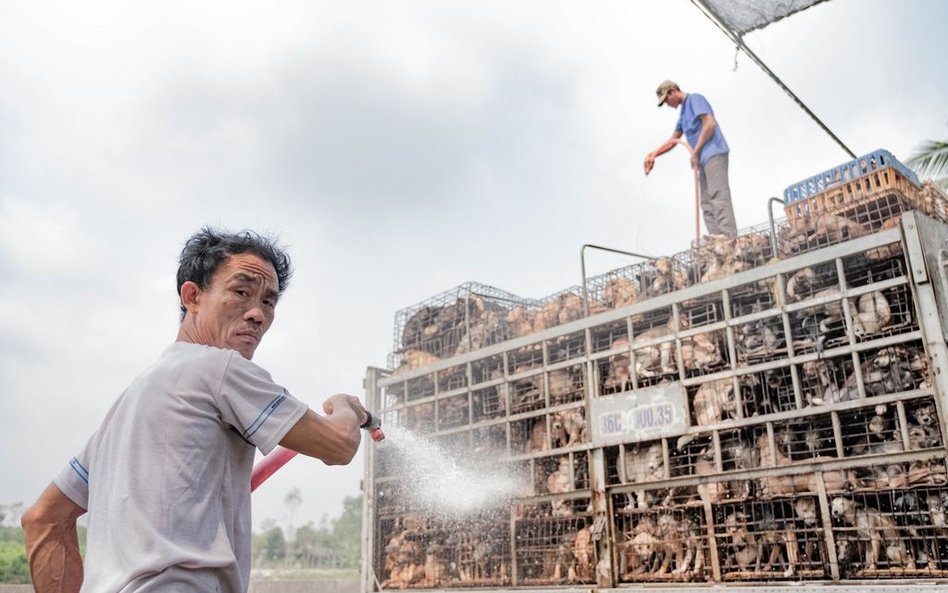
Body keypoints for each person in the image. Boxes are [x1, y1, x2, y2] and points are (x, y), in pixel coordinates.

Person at [21, 227, 368, 593]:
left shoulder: (121, 414)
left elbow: (43, 520)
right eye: (240, 292)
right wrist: (346, 407)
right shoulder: (218, 368)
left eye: (269, 301)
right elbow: (339, 445)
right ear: (192, 296)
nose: (257, 314)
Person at [644, 80, 738, 238]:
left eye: (667, 100)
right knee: (706, 201)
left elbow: (709, 124)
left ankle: (728, 235)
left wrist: (696, 151)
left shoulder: (695, 99)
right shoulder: (682, 116)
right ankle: (716, 238)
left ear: (672, 91)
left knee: (717, 194)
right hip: (702, 161)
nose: (667, 104)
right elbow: (673, 140)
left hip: (714, 152)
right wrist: (653, 154)